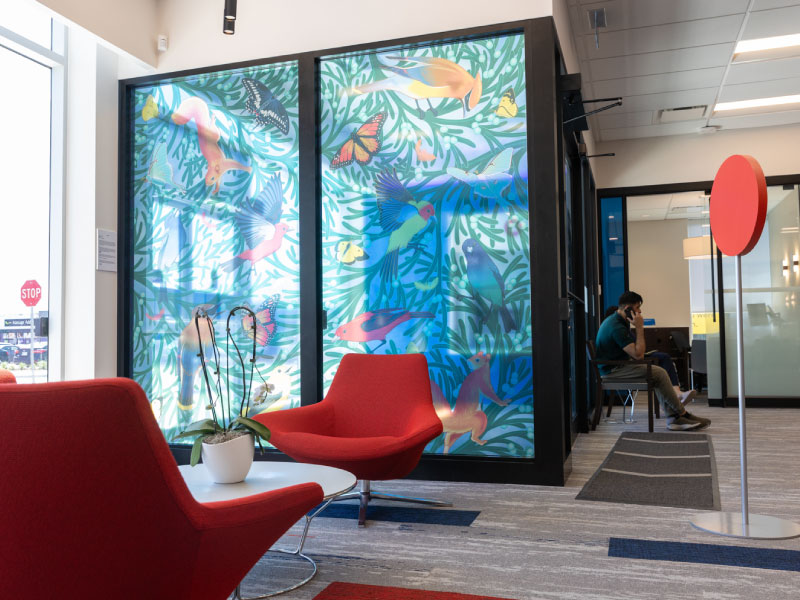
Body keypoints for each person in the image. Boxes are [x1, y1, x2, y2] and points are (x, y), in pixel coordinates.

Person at [596, 292, 710, 431]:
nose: (640, 311)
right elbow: (639, 355)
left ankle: (673, 418)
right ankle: (681, 413)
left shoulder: (618, 321)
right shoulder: (616, 327)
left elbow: (637, 351)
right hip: (613, 371)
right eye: (637, 307)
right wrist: (639, 328)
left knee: (656, 374)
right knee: (659, 373)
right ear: (628, 308)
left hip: (617, 366)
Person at [603, 306, 695, 406]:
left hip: (631, 360)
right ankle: (675, 395)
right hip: (628, 363)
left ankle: (675, 396)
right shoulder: (617, 330)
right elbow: (635, 351)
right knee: (662, 366)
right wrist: (639, 328)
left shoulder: (618, 328)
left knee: (664, 362)